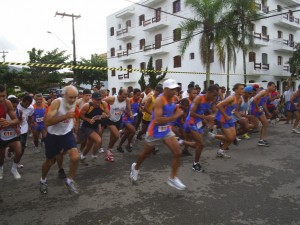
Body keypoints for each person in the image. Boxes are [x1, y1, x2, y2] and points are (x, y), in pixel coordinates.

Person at [130, 79, 186, 191]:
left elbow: (171, 109)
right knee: (146, 154)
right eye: (172, 89)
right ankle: (135, 168)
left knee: (177, 152)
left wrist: (176, 108)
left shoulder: (174, 98)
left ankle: (172, 178)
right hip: (154, 131)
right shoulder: (159, 101)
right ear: (165, 90)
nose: (175, 91)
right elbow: (157, 121)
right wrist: (175, 116)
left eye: (175, 89)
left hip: (166, 130)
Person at [39, 85, 80, 194]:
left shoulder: (75, 102)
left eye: (75, 97)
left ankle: (70, 181)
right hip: (53, 136)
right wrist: (65, 117)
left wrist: (74, 130)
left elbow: (75, 117)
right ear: (63, 95)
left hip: (66, 134)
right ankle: (43, 180)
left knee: (75, 157)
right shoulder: (57, 102)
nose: (72, 100)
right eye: (70, 97)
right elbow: (47, 122)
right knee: (49, 162)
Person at [184, 85, 219, 170]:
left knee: (199, 144)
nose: (215, 97)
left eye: (216, 95)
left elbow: (215, 111)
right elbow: (191, 113)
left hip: (199, 122)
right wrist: (206, 118)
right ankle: (195, 164)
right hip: (191, 121)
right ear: (208, 92)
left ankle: (181, 142)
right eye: (214, 95)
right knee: (201, 144)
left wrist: (212, 117)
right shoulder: (199, 98)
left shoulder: (212, 100)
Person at [211, 83, 244, 158]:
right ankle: (213, 136)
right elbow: (219, 105)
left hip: (229, 117)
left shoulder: (240, 99)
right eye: (241, 88)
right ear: (236, 90)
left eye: (243, 88)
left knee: (233, 137)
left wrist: (240, 117)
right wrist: (225, 116)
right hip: (223, 118)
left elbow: (235, 110)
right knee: (230, 137)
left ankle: (221, 151)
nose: (243, 90)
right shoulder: (231, 98)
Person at [102, 88, 132, 162]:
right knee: (116, 135)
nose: (124, 98)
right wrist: (104, 112)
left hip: (118, 120)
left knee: (112, 137)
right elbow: (101, 102)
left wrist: (130, 114)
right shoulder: (112, 99)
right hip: (109, 119)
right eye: (123, 96)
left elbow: (129, 109)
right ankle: (109, 150)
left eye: (126, 96)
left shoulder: (127, 100)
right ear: (119, 94)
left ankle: (108, 152)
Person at [79, 92, 109, 163]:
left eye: (100, 99)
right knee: (98, 140)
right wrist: (88, 120)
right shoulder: (87, 106)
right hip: (87, 126)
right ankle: (94, 156)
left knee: (90, 143)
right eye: (97, 100)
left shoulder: (103, 104)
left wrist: (105, 116)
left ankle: (83, 156)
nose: (98, 101)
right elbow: (80, 115)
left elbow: (108, 114)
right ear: (92, 99)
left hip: (96, 126)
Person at [0, 85, 21, 180]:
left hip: (9, 131)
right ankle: (1, 168)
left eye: (4, 96)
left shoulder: (7, 103)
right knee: (1, 157)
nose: (2, 99)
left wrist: (8, 122)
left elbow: (16, 120)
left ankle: (14, 169)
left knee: (19, 151)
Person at [249, 82, 275, 147]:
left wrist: (267, 112)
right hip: (255, 109)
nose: (274, 88)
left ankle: (261, 140)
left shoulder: (268, 93)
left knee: (265, 123)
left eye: (274, 87)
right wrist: (258, 108)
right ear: (268, 86)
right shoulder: (263, 91)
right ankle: (240, 129)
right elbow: (254, 99)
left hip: (260, 109)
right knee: (254, 126)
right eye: (273, 86)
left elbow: (263, 103)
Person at [117, 88, 141, 153]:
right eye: (137, 95)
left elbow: (138, 108)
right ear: (133, 94)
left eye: (139, 95)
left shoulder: (139, 100)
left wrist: (141, 109)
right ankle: (128, 145)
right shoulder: (129, 100)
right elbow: (124, 109)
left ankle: (119, 146)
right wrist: (130, 114)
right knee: (133, 131)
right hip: (126, 118)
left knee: (127, 133)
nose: (138, 97)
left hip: (133, 119)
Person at [17, 95, 34, 168]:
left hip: (24, 128)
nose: (27, 105)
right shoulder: (16, 106)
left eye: (29, 104)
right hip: (14, 129)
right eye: (26, 104)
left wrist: (29, 127)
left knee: (22, 147)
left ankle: (18, 161)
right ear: (22, 101)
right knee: (14, 146)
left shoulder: (31, 108)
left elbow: (30, 117)